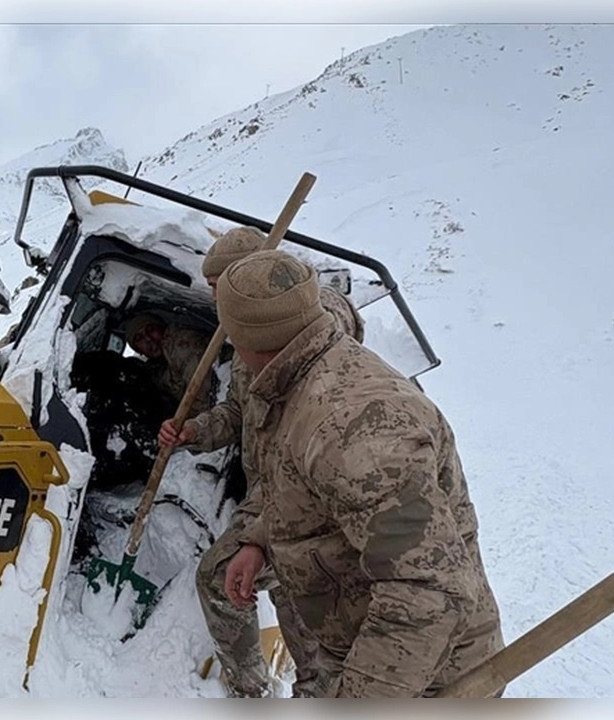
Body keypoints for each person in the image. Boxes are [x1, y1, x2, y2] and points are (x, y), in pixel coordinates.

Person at [213, 249, 504, 698]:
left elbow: (427, 593)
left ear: (246, 336)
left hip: (424, 681)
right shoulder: (300, 380)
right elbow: (308, 494)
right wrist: (259, 539)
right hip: (355, 646)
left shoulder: (355, 427)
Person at [162, 225, 364, 697]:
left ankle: (269, 692)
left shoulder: (307, 321)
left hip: (307, 498)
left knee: (249, 588)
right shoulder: (244, 342)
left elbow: (331, 318)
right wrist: (194, 432)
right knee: (283, 598)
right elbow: (237, 413)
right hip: (269, 495)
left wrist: (273, 301)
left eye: (219, 288)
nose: (215, 300)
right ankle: (263, 687)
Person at [123, 312, 217, 417]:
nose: (149, 339)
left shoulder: (182, 345)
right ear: (138, 350)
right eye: (139, 338)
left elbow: (205, 399)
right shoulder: (158, 366)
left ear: (161, 328)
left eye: (151, 329)